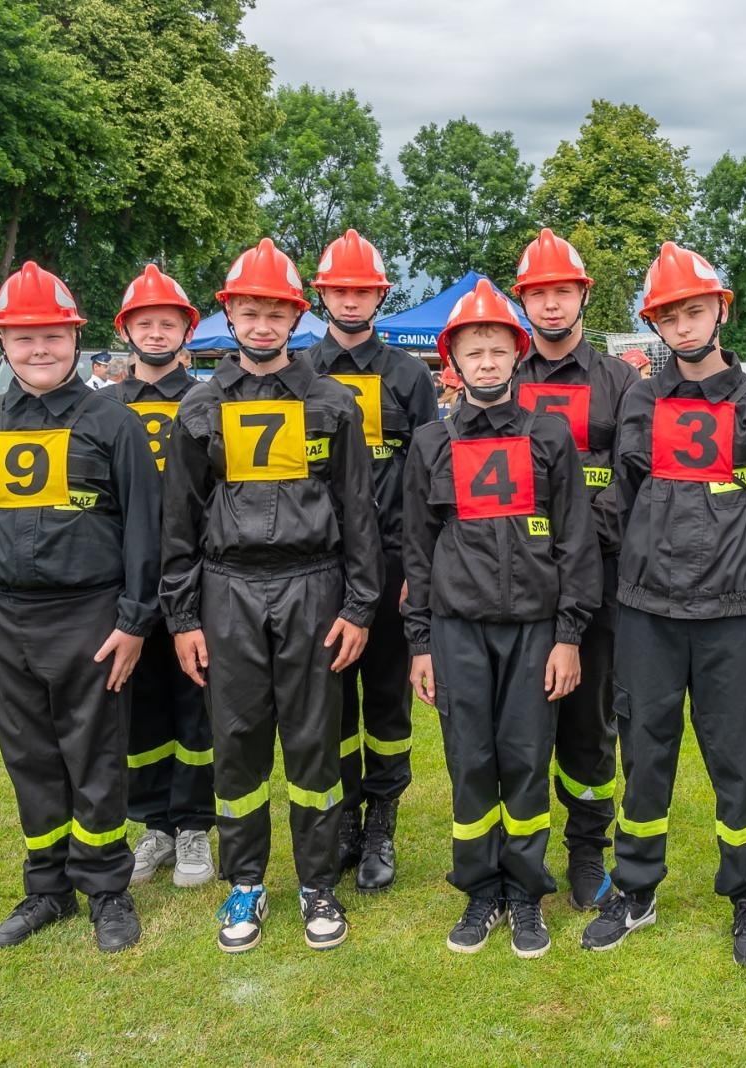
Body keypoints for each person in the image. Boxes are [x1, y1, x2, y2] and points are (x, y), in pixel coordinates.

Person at [160, 238, 382, 953]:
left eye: (275, 312)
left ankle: (318, 883)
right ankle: (245, 883)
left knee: (316, 745)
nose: (262, 325)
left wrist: (358, 606)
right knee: (239, 743)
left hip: (315, 587)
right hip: (228, 591)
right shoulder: (197, 408)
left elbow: (358, 512)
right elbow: (180, 523)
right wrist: (184, 617)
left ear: (297, 316)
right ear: (229, 314)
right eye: (249, 312)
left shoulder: (333, 404)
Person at [580, 242, 746, 967]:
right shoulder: (640, 398)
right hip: (646, 609)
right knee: (645, 753)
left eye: (693, 310)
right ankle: (635, 889)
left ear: (719, 310)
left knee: (737, 759)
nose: (681, 325)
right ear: (655, 323)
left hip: (729, 612)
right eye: (667, 315)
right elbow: (622, 496)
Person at [0, 261, 161, 953]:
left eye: (53, 337)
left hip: (90, 616)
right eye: (24, 338)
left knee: (94, 755)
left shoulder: (112, 420)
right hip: (4, 619)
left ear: (76, 338)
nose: (40, 350)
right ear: (2, 344)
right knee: (30, 757)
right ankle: (46, 889)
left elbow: (143, 529)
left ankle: (106, 890)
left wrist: (133, 621)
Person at [403, 278, 600, 958]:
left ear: (517, 355)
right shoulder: (430, 442)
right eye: (472, 352)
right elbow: (418, 549)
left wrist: (569, 636)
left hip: (534, 631)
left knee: (523, 761)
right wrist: (421, 642)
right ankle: (479, 890)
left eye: (496, 350)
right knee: (471, 763)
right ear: (451, 361)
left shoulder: (549, 436)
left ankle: (525, 895)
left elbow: (576, 543)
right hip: (457, 631)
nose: (485, 363)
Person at [303, 228, 438, 893]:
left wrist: (420, 565)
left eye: (364, 289)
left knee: (386, 701)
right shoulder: (300, 375)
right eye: (341, 288)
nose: (352, 298)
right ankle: (346, 820)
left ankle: (382, 821)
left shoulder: (410, 376)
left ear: (380, 295)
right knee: (331, 704)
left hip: (390, 560)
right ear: (321, 292)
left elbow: (425, 476)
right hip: (320, 565)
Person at [511, 228, 640, 911]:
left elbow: (630, 476)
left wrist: (583, 547)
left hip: (598, 578)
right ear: (523, 301)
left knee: (591, 723)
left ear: (583, 294)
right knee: (523, 721)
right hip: (517, 580)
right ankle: (519, 853)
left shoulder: (620, 382)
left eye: (562, 291)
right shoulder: (504, 377)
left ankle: (589, 850)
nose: (552, 306)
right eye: (539, 294)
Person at [99, 264, 217, 889]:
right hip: (128, 576)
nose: (155, 332)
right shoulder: (104, 408)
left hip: (198, 570)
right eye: (144, 323)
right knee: (138, 703)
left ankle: (195, 823)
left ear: (186, 331)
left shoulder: (208, 399)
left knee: (195, 700)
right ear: (126, 330)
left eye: (167, 322)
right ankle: (155, 825)